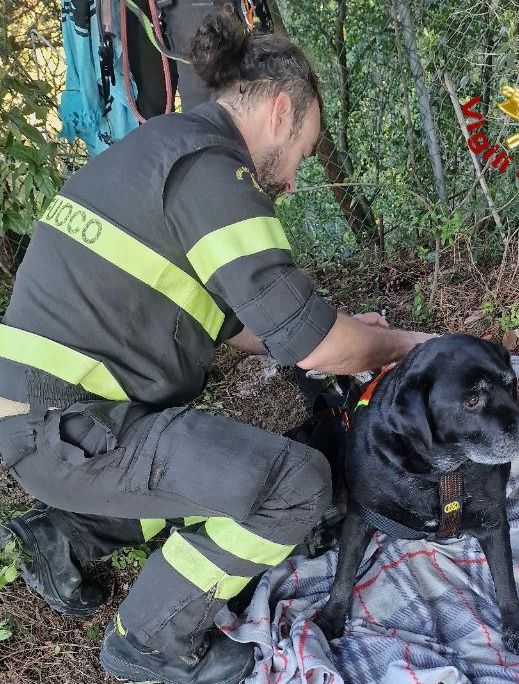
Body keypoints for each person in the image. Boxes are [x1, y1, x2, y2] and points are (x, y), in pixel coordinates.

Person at [0, 12, 432, 684]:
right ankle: (151, 638)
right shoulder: (212, 170)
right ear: (280, 110)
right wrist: (405, 345)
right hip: (73, 429)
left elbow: (244, 324)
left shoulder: (167, 148)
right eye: (301, 152)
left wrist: (346, 331)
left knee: (224, 468)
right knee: (294, 486)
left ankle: (69, 535)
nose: (292, 182)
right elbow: (313, 346)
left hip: (55, 424)